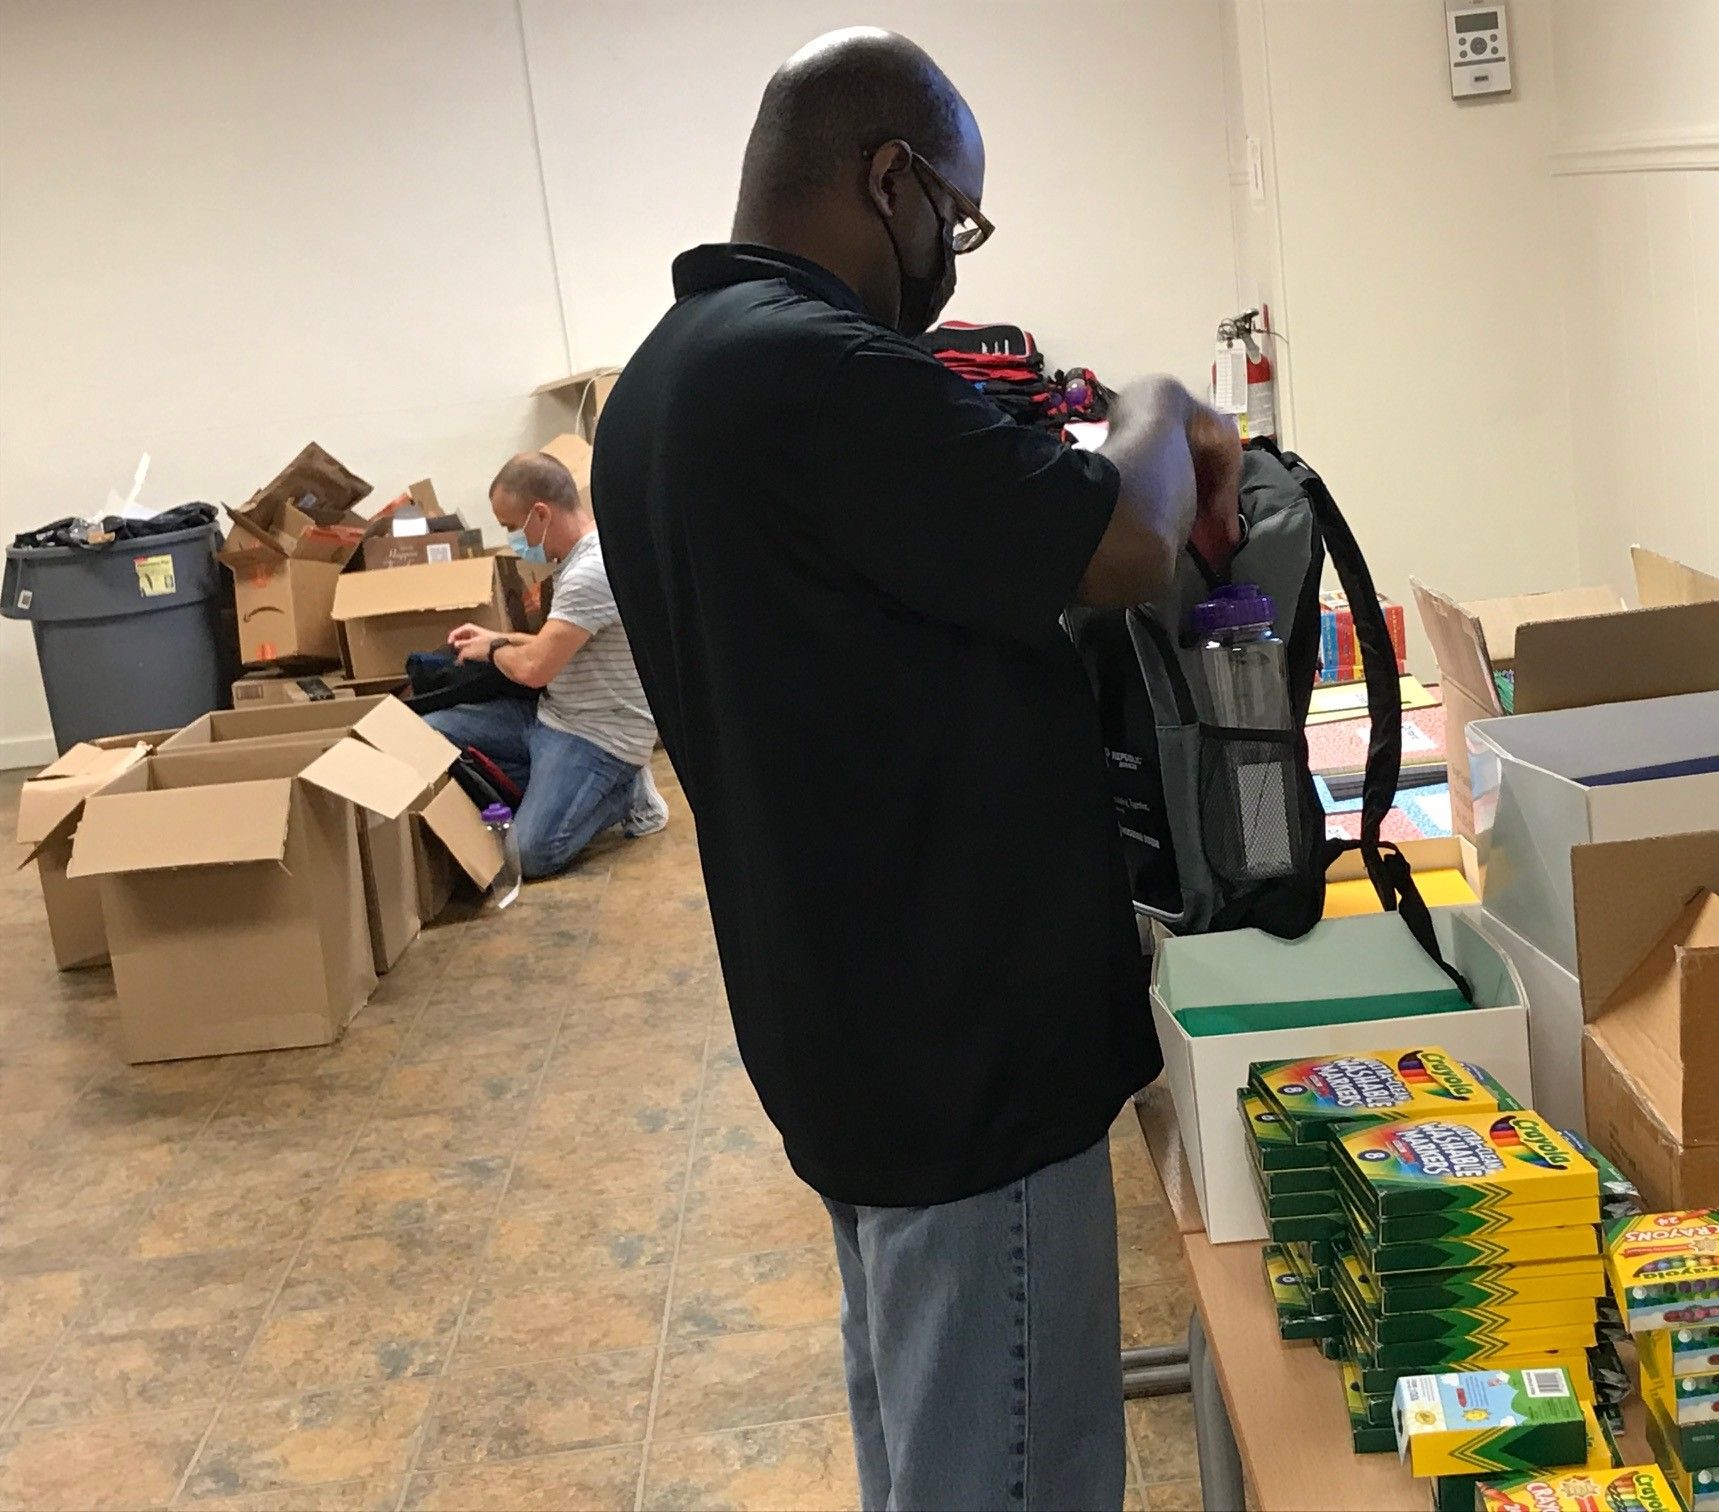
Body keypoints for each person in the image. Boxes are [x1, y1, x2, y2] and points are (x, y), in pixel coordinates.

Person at [593, 27, 1241, 1512]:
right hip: (964, 1052)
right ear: (891, 179)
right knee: (1012, 1474)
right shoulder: (815, 376)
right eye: (956, 216)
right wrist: (1160, 404)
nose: (953, 254)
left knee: (935, 1456)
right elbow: (1129, 546)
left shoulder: (663, 384)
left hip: (847, 1020)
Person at [426, 450, 667, 878]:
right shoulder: (576, 558)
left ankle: (627, 791)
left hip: (599, 737)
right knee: (429, 734)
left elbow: (535, 668)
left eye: (510, 527)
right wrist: (495, 638)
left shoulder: (591, 571)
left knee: (530, 853)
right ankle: (560, 788)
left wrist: (494, 650)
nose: (513, 539)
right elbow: (556, 644)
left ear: (540, 513)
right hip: (553, 718)